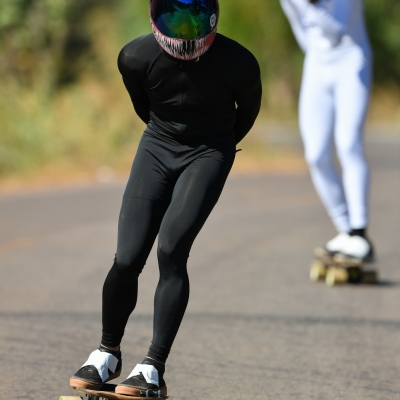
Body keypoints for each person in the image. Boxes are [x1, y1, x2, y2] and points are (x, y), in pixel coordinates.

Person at [70, 0, 262, 397]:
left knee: (172, 250)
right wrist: (169, 138)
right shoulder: (135, 57)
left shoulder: (240, 62)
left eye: (195, 16)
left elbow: (247, 115)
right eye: (175, 15)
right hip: (157, 145)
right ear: (156, 16)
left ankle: (153, 366)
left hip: (209, 150)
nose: (186, 28)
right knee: (127, 258)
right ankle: (107, 354)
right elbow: (146, 109)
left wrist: (214, 152)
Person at [280, 0, 375, 262]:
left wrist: (307, 2)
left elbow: (337, 30)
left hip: (351, 58)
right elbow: (297, 24)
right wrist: (313, 52)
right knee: (315, 154)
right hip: (318, 64)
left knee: (348, 144)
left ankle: (360, 232)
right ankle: (345, 230)